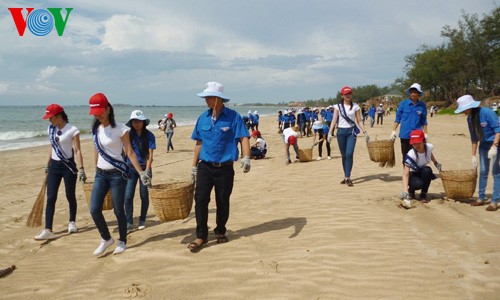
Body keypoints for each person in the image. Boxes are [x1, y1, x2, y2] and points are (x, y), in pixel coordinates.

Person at [189, 82, 251, 253]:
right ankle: (201, 235)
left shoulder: (233, 117)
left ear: (218, 99)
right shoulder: (202, 118)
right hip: (205, 167)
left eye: (209, 97)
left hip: (225, 168)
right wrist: (194, 166)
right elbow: (199, 142)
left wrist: (247, 157)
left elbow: (244, 137)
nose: (206, 100)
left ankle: (220, 230)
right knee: (200, 200)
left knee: (222, 200)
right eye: (205, 97)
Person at [88, 93, 151, 256]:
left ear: (108, 109)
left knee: (118, 210)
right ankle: (106, 238)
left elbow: (129, 152)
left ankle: (122, 241)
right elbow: (96, 150)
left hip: (118, 175)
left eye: (100, 111)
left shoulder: (121, 129)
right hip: (101, 174)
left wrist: (141, 172)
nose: (97, 115)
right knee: (94, 209)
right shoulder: (95, 128)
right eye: (95, 113)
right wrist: (95, 168)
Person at [34, 104, 86, 240]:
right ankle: (48, 229)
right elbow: (51, 148)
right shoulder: (51, 129)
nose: (49, 120)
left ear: (58, 116)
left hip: (68, 167)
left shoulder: (72, 130)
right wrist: (47, 166)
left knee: (70, 195)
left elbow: (78, 150)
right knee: (51, 197)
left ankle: (72, 222)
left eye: (50, 117)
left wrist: (81, 169)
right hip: (54, 167)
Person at [455, 95, 500, 211]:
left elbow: (498, 130)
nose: (463, 112)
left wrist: (494, 146)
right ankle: (481, 198)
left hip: (496, 143)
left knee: (496, 172)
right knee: (483, 171)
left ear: (470, 107)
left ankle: (495, 201)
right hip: (484, 145)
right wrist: (473, 155)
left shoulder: (487, 113)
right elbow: (474, 138)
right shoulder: (470, 119)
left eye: (464, 109)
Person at [328, 86, 369, 186]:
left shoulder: (355, 106)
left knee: (349, 154)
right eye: (345, 94)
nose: (348, 95)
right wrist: (330, 133)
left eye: (349, 93)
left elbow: (359, 120)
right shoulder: (338, 107)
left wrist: (365, 132)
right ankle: (345, 176)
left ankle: (347, 176)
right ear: (342, 95)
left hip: (351, 132)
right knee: (344, 155)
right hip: (341, 132)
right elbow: (334, 120)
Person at [124, 110, 156, 230]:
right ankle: (129, 221)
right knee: (128, 196)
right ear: (131, 123)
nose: (137, 123)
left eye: (139, 121)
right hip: (131, 169)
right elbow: (126, 152)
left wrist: (147, 171)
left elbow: (150, 155)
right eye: (134, 121)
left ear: (144, 122)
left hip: (145, 168)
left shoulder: (149, 136)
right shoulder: (127, 135)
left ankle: (142, 219)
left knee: (143, 194)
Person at [400, 129, 442, 208]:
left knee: (428, 170)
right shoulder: (411, 154)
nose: (416, 145)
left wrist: (436, 163)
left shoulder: (429, 147)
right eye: (414, 143)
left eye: (419, 142)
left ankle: (423, 194)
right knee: (418, 184)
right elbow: (405, 175)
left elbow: (430, 154)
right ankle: (411, 191)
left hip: (423, 172)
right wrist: (405, 191)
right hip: (413, 175)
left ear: (424, 141)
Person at [390, 83, 428, 165]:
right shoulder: (403, 104)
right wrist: (393, 130)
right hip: (405, 134)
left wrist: (426, 133)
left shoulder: (422, 106)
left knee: (417, 155)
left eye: (415, 92)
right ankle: (407, 174)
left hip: (417, 135)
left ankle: (415, 174)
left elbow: (424, 121)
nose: (413, 94)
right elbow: (398, 118)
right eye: (412, 92)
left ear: (418, 94)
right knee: (405, 156)